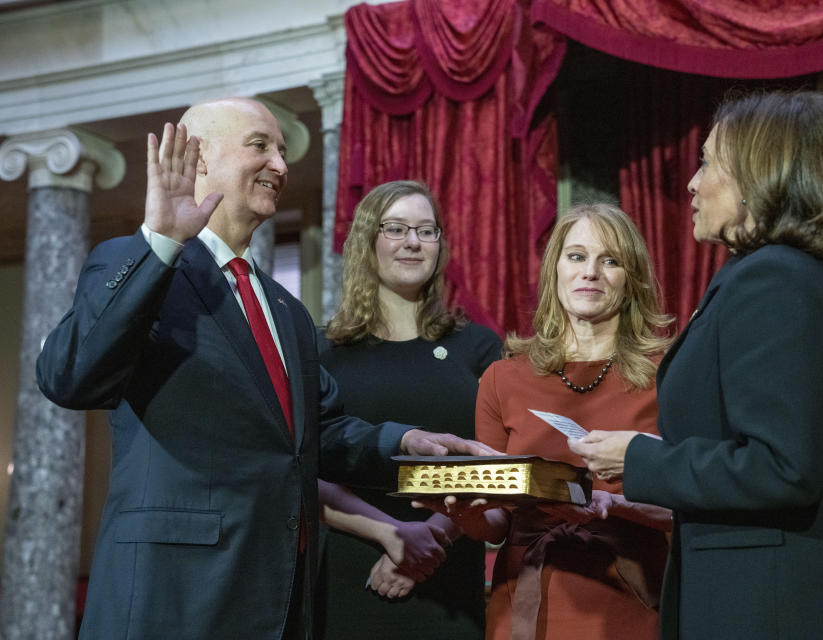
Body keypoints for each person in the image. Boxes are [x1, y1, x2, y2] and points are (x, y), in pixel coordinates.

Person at [35, 98, 493, 640]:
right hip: (172, 596)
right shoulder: (136, 263)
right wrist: (159, 243)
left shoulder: (285, 310)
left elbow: (315, 434)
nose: (279, 163)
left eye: (281, 150)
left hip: (277, 597)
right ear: (198, 158)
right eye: (260, 146)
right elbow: (69, 376)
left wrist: (406, 439)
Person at [570, 91, 823, 639]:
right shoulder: (776, 275)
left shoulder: (773, 278)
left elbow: (781, 467)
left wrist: (640, 460)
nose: (692, 183)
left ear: (761, 176)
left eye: (707, 162)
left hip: (779, 605)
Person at [427, 203, 674, 640]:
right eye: (576, 256)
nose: (591, 272)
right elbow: (498, 520)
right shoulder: (503, 378)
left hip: (632, 600)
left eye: (610, 260)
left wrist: (615, 506)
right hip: (526, 600)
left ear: (630, 278)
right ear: (554, 270)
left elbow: (692, 499)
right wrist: (467, 516)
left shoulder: (668, 375)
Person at [314, 180, 502, 639]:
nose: (413, 242)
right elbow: (300, 466)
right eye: (396, 228)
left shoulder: (477, 346)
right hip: (345, 570)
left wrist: (432, 540)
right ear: (366, 241)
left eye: (427, 230)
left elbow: (496, 462)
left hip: (447, 575)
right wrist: (392, 534)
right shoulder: (320, 349)